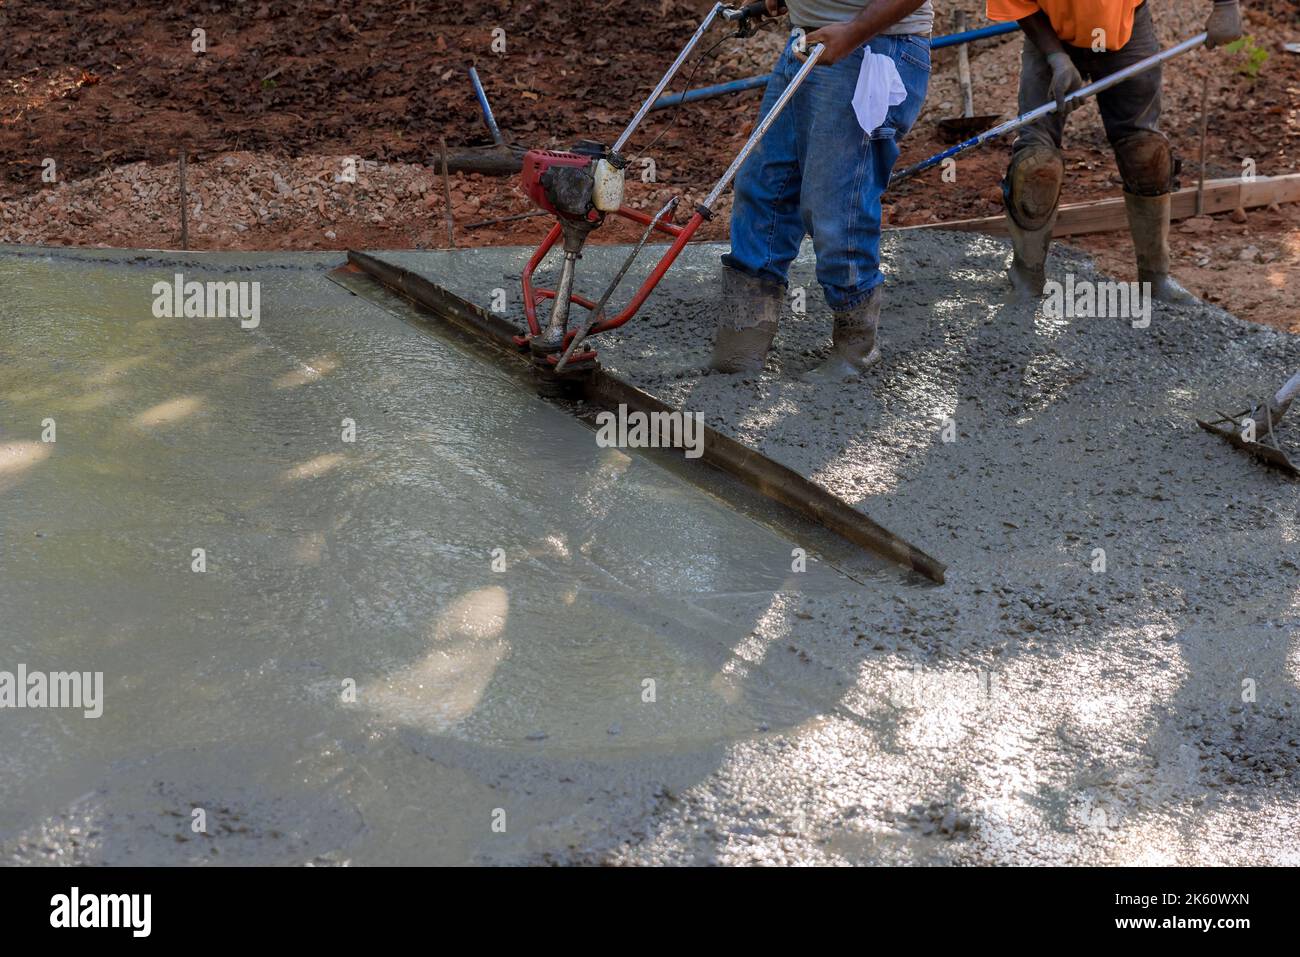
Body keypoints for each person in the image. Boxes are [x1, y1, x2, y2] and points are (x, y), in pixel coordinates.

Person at [711, 0, 935, 380]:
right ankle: (740, 344)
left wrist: (852, 32)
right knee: (764, 185)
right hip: (809, 40)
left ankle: (856, 348)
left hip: (872, 47)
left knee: (834, 201)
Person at [987, 0, 1243, 302]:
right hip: (1049, 33)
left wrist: (1226, 6)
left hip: (1126, 30)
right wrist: (1055, 56)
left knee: (1146, 154)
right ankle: (1027, 276)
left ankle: (1155, 278)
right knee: (1036, 165)